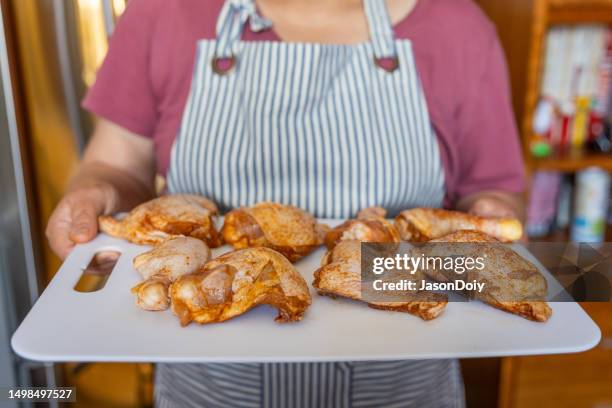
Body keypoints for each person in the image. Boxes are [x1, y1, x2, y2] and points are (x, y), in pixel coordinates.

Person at [46, 0, 526, 406]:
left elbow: (495, 191)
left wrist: (491, 217)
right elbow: (117, 167)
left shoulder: (457, 24)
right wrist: (97, 192)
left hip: (405, 388)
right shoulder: (164, 11)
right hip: (208, 388)